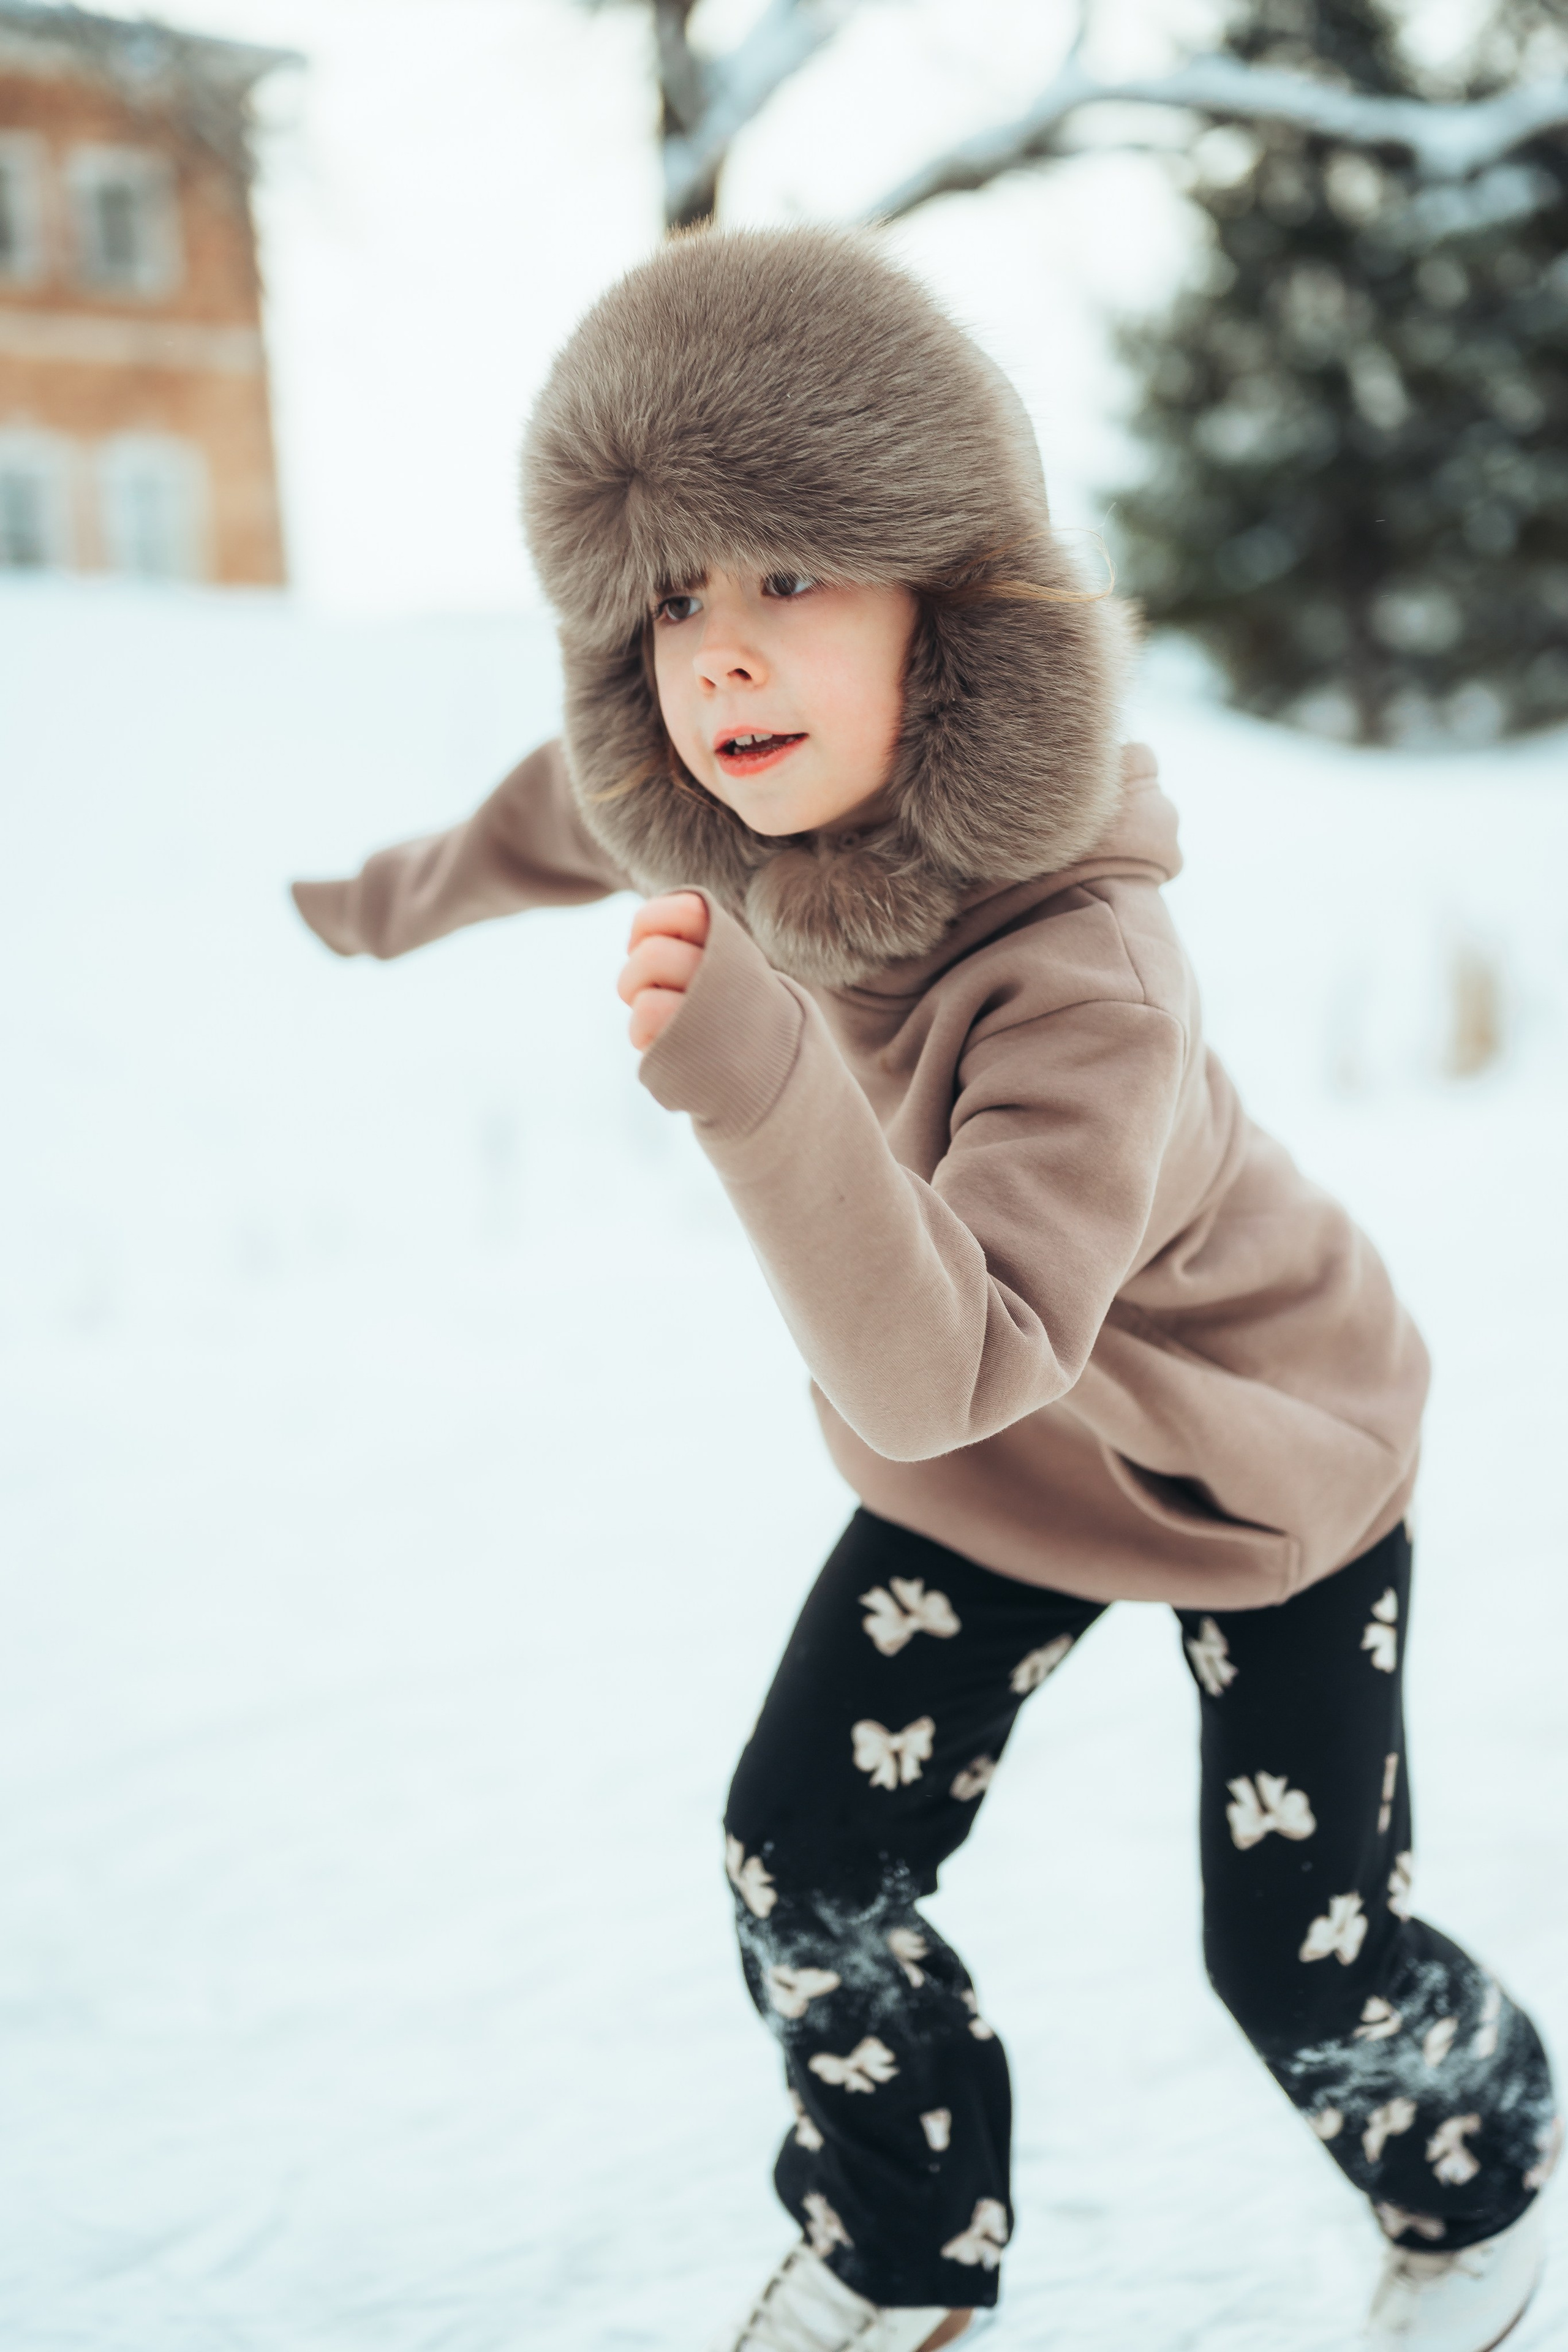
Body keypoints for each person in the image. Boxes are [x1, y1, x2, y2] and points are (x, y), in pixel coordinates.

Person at [291, 227, 1558, 2352]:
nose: (721, 659)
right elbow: (568, 814)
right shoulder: (744, 808)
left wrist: (758, 1082)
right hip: (1004, 1473)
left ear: (956, 629)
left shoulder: (1086, 980)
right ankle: (904, 2258)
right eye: (676, 602)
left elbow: (953, 1360)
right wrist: (370, 904)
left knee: (1300, 1957)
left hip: (1265, 1468)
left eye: (792, 579)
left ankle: (1489, 2185)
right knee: (807, 1860)